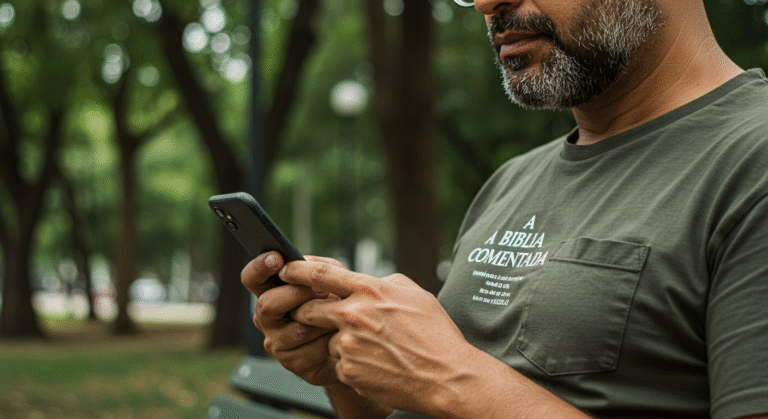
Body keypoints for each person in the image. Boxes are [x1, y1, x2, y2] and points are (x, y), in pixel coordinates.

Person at [241, 0, 768, 417]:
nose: (486, 4)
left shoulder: (751, 159)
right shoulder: (512, 181)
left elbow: (459, 389)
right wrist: (346, 366)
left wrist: (451, 377)